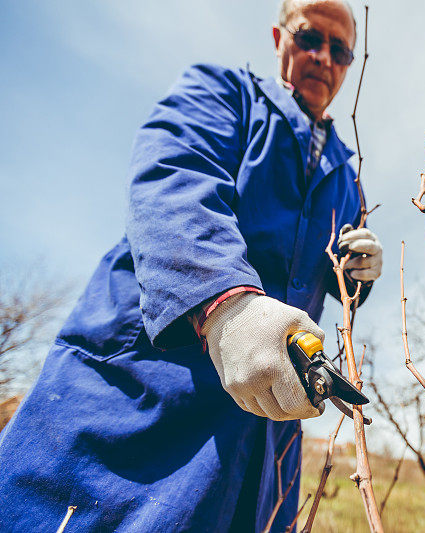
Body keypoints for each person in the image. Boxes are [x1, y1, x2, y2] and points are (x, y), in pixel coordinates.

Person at [0, 0, 382, 531]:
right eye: (308, 38)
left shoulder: (346, 177)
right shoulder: (224, 92)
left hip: (267, 429)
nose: (323, 57)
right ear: (279, 39)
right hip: (148, 390)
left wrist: (358, 276)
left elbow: (325, 281)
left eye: (339, 50)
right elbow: (173, 177)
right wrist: (224, 302)